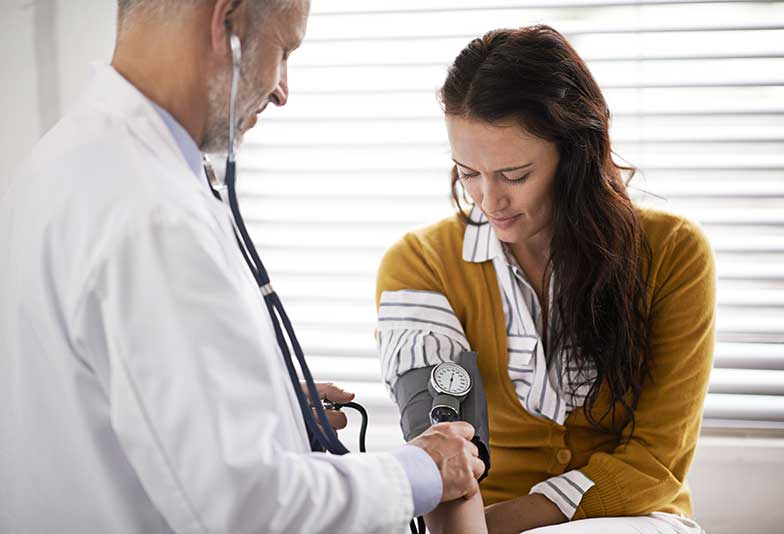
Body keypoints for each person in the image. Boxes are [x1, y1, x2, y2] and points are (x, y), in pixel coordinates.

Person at [0, 1, 485, 532]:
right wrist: (421, 469)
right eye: (283, 51)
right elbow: (248, 507)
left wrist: (273, 405)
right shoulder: (151, 213)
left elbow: (113, 403)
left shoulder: (59, 163)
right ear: (226, 22)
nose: (281, 90)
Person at [376, 25, 715, 534]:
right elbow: (444, 443)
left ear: (575, 155)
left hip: (631, 518)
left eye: (514, 175)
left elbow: (657, 460)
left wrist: (499, 525)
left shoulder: (672, 253)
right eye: (468, 172)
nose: (489, 201)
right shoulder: (421, 262)